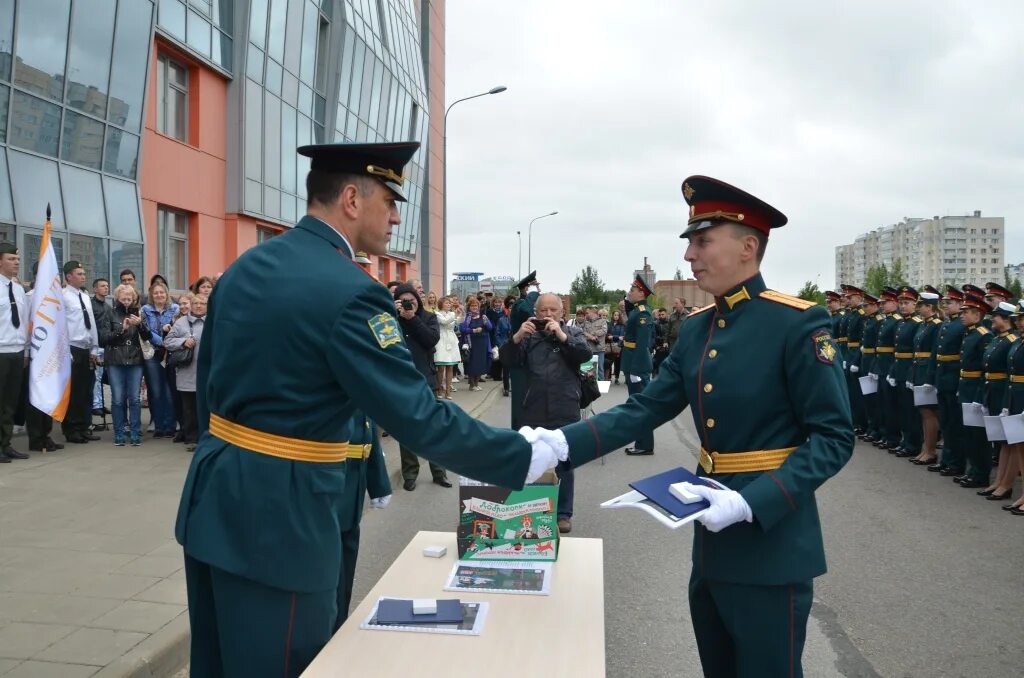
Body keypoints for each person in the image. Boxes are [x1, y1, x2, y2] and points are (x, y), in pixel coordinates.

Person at [174, 141, 563, 677]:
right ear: (352, 199)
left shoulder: (245, 268)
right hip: (284, 521)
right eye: (390, 200)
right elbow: (418, 417)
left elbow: (213, 385)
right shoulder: (351, 291)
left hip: (215, 500)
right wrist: (519, 455)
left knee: (216, 663)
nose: (396, 216)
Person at [529, 175, 853, 677]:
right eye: (690, 243)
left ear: (749, 247)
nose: (690, 256)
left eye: (703, 242)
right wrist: (558, 445)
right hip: (712, 537)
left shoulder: (797, 323)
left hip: (772, 541)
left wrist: (753, 501)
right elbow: (645, 408)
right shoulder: (700, 326)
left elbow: (833, 438)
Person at [503, 293, 591, 533]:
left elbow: (585, 355)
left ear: (562, 313)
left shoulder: (572, 333)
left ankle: (563, 513)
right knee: (530, 460)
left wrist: (562, 337)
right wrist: (518, 336)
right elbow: (507, 360)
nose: (548, 315)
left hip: (565, 406)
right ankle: (531, 508)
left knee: (565, 461)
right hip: (533, 407)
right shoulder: (529, 335)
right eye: (543, 310)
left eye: (553, 310)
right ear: (536, 312)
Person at [393, 282, 451, 490]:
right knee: (406, 429)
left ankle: (439, 472)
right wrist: (395, 313)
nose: (409, 303)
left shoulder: (428, 317)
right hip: (401, 380)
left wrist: (413, 319)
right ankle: (410, 474)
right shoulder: (391, 319)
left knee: (433, 427)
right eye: (404, 300)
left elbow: (431, 340)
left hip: (425, 378)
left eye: (412, 299)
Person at [337, 410, 390, 621]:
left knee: (344, 578)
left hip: (352, 493)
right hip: (327, 488)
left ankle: (336, 632)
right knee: (328, 583)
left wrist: (379, 482)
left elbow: (368, 427)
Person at [100, 284, 152, 447]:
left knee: (135, 399)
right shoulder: (110, 313)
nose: (127, 302)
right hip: (115, 359)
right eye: (123, 298)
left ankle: (135, 431)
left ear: (134, 299)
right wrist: (121, 330)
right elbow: (104, 339)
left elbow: (148, 336)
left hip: (135, 359)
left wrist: (140, 325)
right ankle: (119, 431)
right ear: (117, 299)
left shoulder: (139, 313)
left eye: (129, 298)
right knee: (117, 399)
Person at [977, 302, 1018, 500]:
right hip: (1000, 392)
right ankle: (999, 481)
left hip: (1008, 392)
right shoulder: (1003, 340)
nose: (992, 319)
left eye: (996, 316)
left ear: (1006, 319)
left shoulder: (1012, 340)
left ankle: (1006, 484)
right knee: (1003, 442)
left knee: (1013, 443)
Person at [955, 290, 994, 488]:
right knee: (969, 433)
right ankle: (973, 470)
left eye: (966, 311)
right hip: (966, 386)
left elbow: (984, 369)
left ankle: (981, 473)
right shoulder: (970, 333)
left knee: (979, 436)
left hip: (976, 389)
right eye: (962, 312)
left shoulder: (983, 336)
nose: (962, 315)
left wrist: (980, 395)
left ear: (977, 314)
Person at [929, 286, 967, 475]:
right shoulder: (946, 324)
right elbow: (936, 353)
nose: (946, 305)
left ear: (960, 304)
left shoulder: (962, 326)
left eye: (950, 302)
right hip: (942, 377)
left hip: (953, 378)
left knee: (955, 423)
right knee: (945, 422)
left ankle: (956, 463)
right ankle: (947, 460)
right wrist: (932, 378)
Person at [61, 261, 100, 444]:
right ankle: (71, 429)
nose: (83, 276)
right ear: (69, 276)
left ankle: (83, 427)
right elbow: (60, 325)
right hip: (71, 347)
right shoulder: (62, 296)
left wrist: (94, 347)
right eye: (79, 273)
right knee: (74, 391)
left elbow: (90, 323)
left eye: (84, 273)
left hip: (86, 348)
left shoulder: (84, 296)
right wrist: (64, 349)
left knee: (85, 391)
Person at [166, 294, 207, 452]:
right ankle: (191, 438)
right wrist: (183, 341)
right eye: (195, 303)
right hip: (186, 372)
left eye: (202, 303)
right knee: (189, 408)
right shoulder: (181, 322)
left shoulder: (213, 321)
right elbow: (168, 341)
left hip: (206, 372)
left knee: (205, 407)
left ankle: (205, 437)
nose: (198, 306)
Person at [0, 242, 28, 462]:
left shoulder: (19, 289)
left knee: (10, 402)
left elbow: (24, 321)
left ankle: (5, 443)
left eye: (17, 259)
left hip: (17, 351)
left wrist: (26, 351)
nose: (16, 262)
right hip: (0, 352)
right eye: (11, 259)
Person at [141, 282, 180, 438]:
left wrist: (166, 341)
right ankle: (158, 425)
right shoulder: (145, 310)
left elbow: (177, 329)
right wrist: (161, 341)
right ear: (151, 295)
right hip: (153, 354)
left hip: (170, 355)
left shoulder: (175, 309)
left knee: (170, 391)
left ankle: (170, 425)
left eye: (162, 293)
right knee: (156, 392)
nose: (159, 295)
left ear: (167, 294)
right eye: (156, 293)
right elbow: (145, 331)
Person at [621, 276, 655, 456]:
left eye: (632, 290)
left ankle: (644, 444)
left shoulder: (643, 313)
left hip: (637, 364)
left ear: (642, 293)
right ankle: (641, 441)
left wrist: (635, 369)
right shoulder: (636, 310)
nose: (629, 292)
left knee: (640, 405)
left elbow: (642, 344)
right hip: (632, 361)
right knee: (636, 404)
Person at [888, 286, 923, 458]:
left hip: (910, 369)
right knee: (902, 409)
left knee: (911, 412)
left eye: (906, 302)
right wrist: (893, 371)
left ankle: (913, 444)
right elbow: (897, 350)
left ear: (915, 304)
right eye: (901, 302)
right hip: (899, 368)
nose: (902, 306)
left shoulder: (917, 324)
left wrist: (911, 374)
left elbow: (916, 352)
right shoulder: (901, 323)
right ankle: (905, 441)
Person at [909, 292, 942, 465]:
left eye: (921, 306)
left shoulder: (936, 325)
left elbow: (935, 353)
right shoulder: (923, 325)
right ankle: (926, 448)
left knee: (930, 412)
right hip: (919, 370)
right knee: (923, 412)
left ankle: (931, 450)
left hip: (927, 371)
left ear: (930, 307)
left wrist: (930, 377)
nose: (918, 308)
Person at [509, 272, 540, 428]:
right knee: (521, 397)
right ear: (525, 289)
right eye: (534, 286)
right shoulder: (520, 304)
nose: (538, 290)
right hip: (519, 354)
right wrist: (534, 292)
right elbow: (528, 310)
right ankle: (519, 432)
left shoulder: (526, 303)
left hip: (531, 354)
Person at [460, 297, 492, 391]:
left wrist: (486, 321)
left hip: (482, 343)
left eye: (476, 305)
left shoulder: (483, 316)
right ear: (469, 307)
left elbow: (490, 328)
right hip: (471, 344)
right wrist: (473, 330)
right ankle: (472, 385)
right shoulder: (467, 317)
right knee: (471, 364)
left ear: (479, 306)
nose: (474, 307)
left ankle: (476, 383)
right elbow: (463, 329)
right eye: (472, 305)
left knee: (481, 364)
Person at [433, 296, 461, 399]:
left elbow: (457, 323)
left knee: (450, 366)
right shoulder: (437, 313)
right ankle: (440, 388)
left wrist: (459, 315)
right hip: (441, 340)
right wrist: (454, 315)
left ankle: (448, 391)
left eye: (449, 303)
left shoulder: (451, 314)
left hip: (451, 339)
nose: (449, 305)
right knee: (440, 367)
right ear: (441, 304)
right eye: (446, 303)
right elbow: (444, 322)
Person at [581, 306, 608, 380]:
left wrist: (592, 334)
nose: (586, 315)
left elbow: (604, 331)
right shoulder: (585, 323)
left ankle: (600, 387)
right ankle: (588, 387)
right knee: (588, 369)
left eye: (587, 313)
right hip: (588, 349)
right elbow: (582, 333)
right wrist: (590, 337)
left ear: (593, 312)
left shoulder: (602, 321)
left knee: (600, 369)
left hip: (599, 349)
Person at [605, 309, 626, 383]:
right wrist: (611, 337)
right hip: (610, 345)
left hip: (618, 345)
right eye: (615, 315)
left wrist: (613, 337)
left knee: (618, 362)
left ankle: (617, 377)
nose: (616, 316)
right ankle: (609, 377)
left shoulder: (622, 325)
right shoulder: (609, 324)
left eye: (617, 315)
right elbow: (607, 334)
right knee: (609, 361)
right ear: (612, 316)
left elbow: (622, 336)